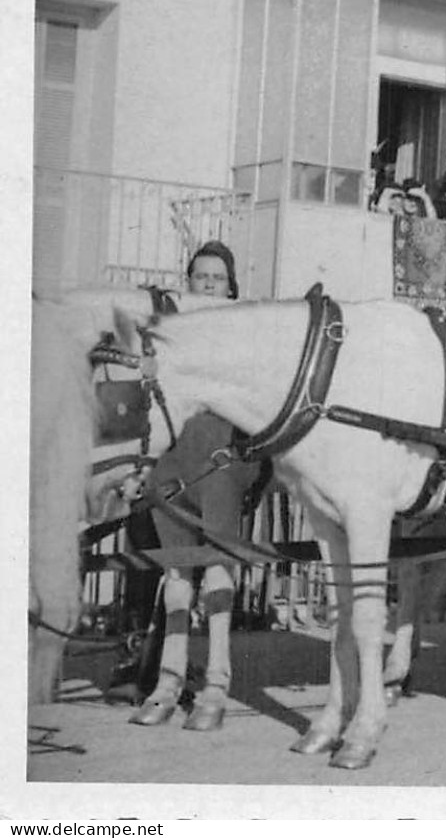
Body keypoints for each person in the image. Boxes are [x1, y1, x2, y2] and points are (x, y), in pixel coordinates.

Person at [127, 242, 264, 732]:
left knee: (218, 571)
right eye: (201, 277)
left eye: (217, 278)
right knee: (177, 579)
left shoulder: (241, 329)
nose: (208, 285)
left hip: (221, 458)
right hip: (172, 459)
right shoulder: (173, 330)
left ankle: (217, 682)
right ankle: (167, 682)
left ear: (231, 286)